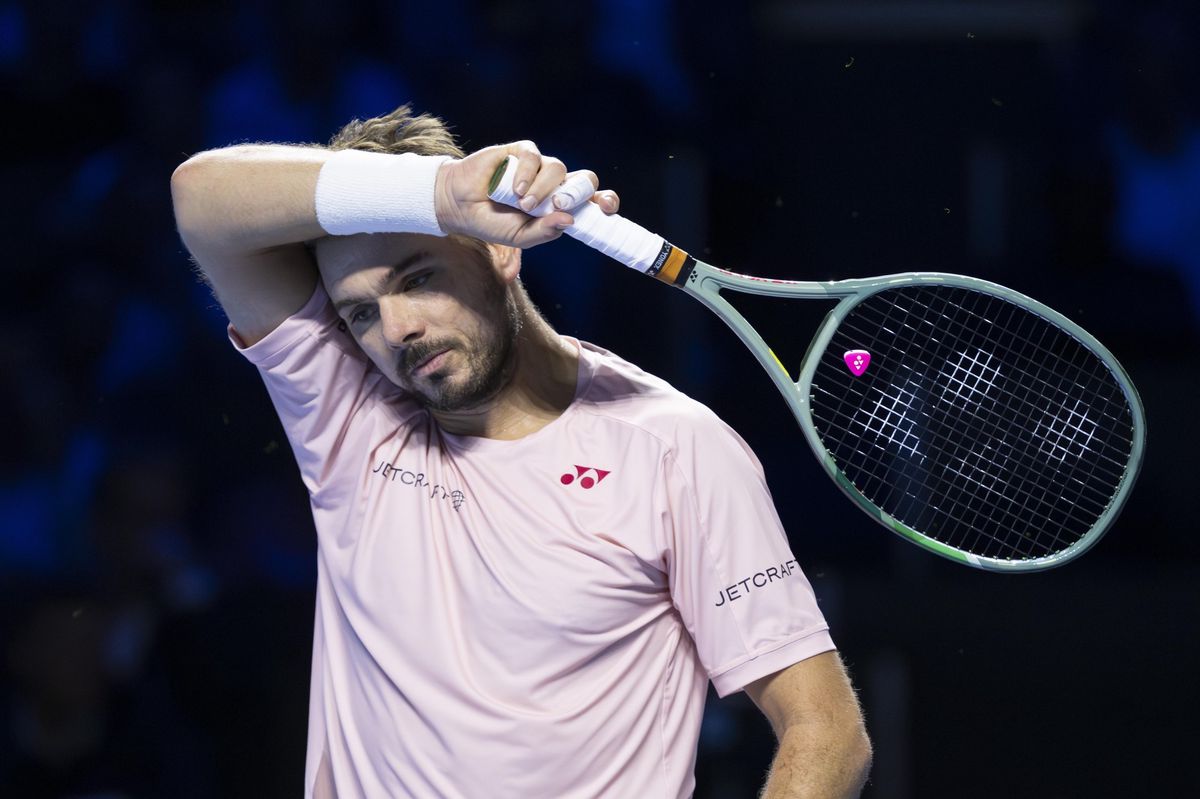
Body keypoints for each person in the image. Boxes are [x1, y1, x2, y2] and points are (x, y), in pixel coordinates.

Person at [170, 104, 872, 798]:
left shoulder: (675, 449)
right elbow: (199, 198)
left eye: (418, 277)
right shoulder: (351, 416)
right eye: (359, 311)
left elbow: (826, 728)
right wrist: (443, 193)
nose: (397, 327)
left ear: (501, 248)